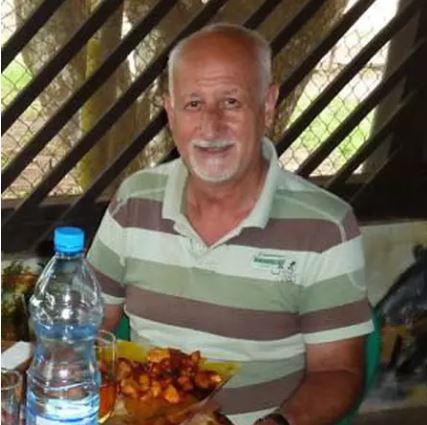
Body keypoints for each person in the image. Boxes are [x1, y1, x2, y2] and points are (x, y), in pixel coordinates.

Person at [87, 23, 373, 425]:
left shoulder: (325, 227)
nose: (211, 126)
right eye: (193, 104)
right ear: (170, 112)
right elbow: (89, 322)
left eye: (231, 102)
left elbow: (337, 371)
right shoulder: (135, 200)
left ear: (268, 104)